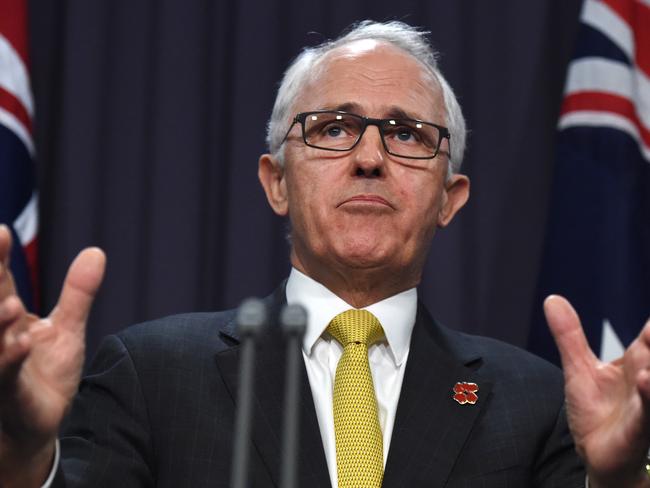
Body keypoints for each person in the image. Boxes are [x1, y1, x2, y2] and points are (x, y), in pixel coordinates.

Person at [1, 20, 650, 488]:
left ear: (450, 197)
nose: (370, 158)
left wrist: (619, 483)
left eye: (406, 133)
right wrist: (26, 461)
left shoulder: (536, 404)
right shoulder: (153, 377)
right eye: (333, 128)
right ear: (276, 180)